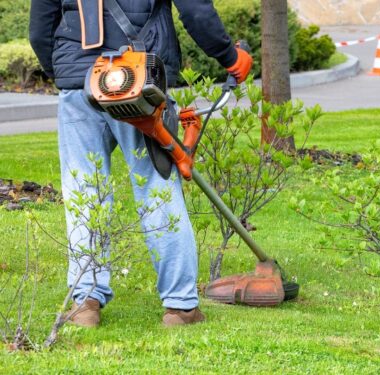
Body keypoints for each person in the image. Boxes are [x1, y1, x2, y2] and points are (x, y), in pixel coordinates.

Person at [28, 0, 253, 327]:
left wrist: (70, 71)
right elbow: (195, 11)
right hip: (138, 81)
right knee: (156, 187)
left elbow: (40, 30)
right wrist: (230, 58)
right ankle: (180, 307)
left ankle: (86, 303)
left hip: (79, 87)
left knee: (84, 191)